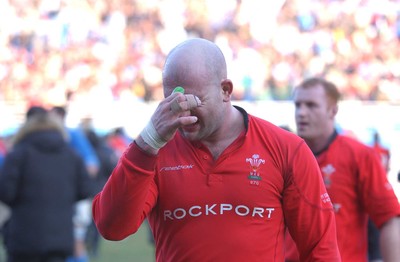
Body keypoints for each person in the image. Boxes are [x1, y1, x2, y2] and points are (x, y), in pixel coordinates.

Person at [92, 38, 340, 261]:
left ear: (225, 90)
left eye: (194, 101)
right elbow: (112, 227)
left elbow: (320, 249)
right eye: (174, 102)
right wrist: (147, 144)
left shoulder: (286, 149)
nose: (184, 113)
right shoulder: (155, 151)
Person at [287, 77, 400, 262]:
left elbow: (389, 219)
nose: (301, 113)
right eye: (298, 105)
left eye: (311, 105)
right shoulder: (283, 154)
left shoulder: (360, 155)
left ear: (333, 111)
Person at [0, 106, 98, 262]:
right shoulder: (70, 155)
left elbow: (6, 192)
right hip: (59, 238)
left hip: (24, 236)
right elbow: (85, 189)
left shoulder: (18, 154)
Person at [49, 106, 100, 262]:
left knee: (76, 240)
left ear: (60, 116)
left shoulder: (72, 135)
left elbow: (92, 165)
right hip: (53, 198)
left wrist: (73, 182)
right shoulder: (49, 136)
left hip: (74, 197)